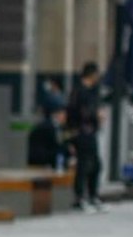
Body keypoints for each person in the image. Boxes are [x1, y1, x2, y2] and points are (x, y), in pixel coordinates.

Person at [66, 61, 107, 212]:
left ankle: (92, 195)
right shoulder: (79, 91)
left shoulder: (93, 91)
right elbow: (75, 112)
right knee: (84, 164)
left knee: (95, 164)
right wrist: (94, 116)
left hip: (90, 131)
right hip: (81, 131)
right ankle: (80, 198)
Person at [27, 108, 69, 172]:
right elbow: (57, 145)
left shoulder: (49, 125)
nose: (66, 117)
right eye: (64, 114)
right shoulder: (51, 127)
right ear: (57, 115)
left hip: (38, 159)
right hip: (42, 162)